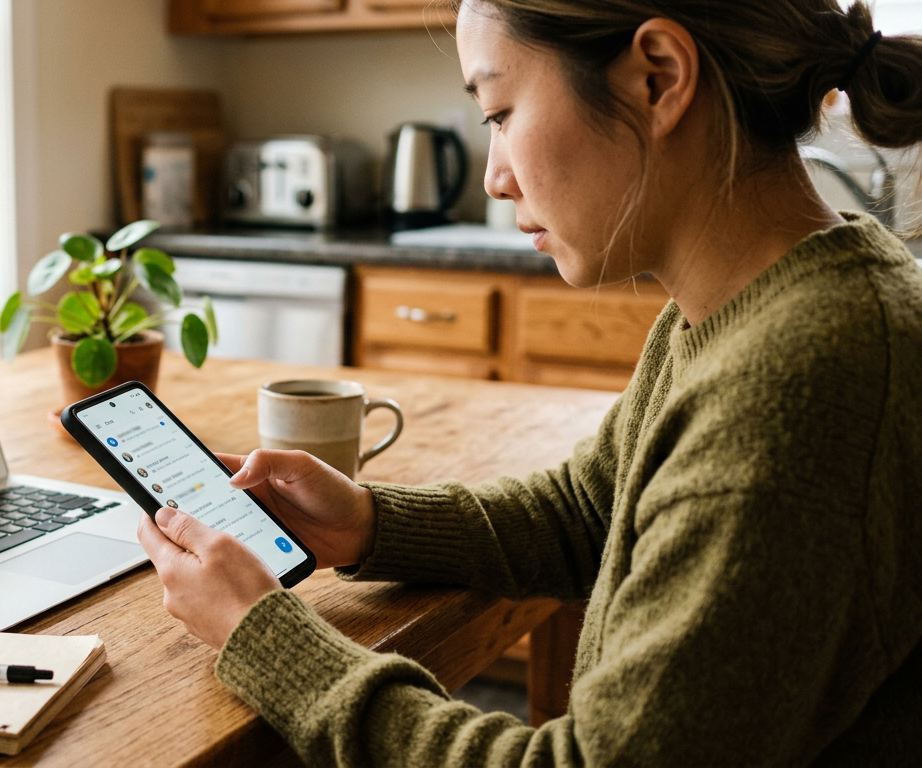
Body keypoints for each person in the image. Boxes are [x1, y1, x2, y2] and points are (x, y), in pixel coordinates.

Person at [135, 0, 922, 764]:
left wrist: (263, 635)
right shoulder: (744, 308)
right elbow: (592, 510)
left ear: (657, 77)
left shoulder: (799, 387)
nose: (494, 177)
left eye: (500, 113)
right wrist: (370, 524)